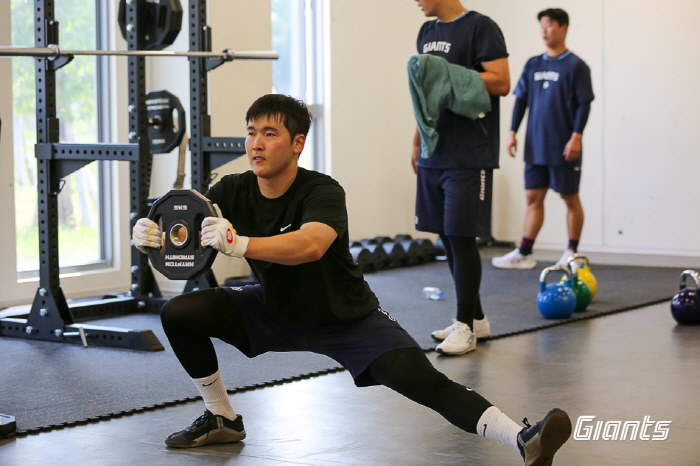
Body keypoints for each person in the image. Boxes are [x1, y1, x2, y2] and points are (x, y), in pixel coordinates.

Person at [132, 94, 572, 464]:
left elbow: (311, 246)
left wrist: (242, 243)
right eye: (251, 132)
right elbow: (186, 233)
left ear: (297, 143)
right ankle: (221, 419)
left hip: (347, 319)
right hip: (273, 308)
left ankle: (522, 439)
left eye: (270, 134)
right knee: (182, 312)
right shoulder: (231, 191)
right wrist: (152, 237)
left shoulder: (321, 190)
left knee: (423, 381)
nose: (256, 144)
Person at [411, 0, 510, 355]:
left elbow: (501, 82)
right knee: (446, 237)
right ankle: (476, 319)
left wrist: (448, 75)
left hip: (470, 152)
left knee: (461, 235)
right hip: (435, 150)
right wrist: (417, 139)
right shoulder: (426, 32)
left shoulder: (481, 27)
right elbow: (425, 93)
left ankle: (465, 327)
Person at [492, 8, 594, 270]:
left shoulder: (576, 66)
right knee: (533, 199)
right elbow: (521, 100)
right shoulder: (533, 64)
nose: (544, 31)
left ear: (563, 28)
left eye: (549, 25)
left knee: (570, 198)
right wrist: (513, 132)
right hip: (535, 146)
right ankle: (524, 252)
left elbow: (584, 105)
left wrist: (576, 137)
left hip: (564, 147)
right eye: (542, 26)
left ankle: (571, 251)